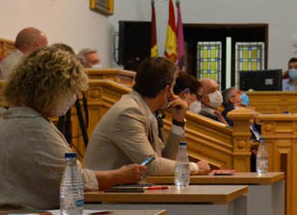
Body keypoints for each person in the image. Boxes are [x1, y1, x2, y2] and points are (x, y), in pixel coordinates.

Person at [0, 46, 147, 209]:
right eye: (70, 91)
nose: (73, 99)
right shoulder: (31, 126)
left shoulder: (21, 118)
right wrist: (119, 176)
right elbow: (73, 180)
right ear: (51, 90)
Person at [83, 56, 212, 178]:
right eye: (173, 87)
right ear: (167, 89)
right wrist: (194, 167)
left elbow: (166, 159)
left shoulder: (145, 110)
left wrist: (178, 122)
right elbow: (151, 165)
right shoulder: (129, 112)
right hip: (104, 196)